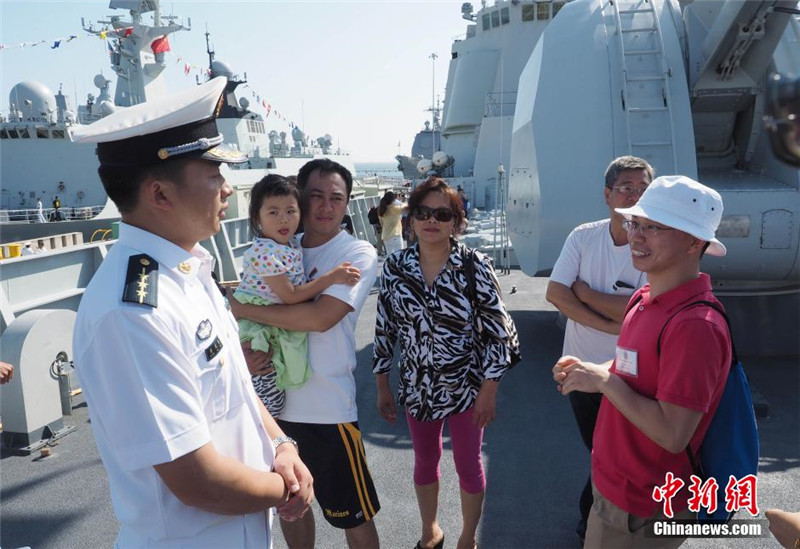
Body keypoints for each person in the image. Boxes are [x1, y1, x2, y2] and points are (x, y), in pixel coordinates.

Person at [71, 77, 313, 548]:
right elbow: (197, 481)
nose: (228, 189)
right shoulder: (133, 312)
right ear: (160, 195)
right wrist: (289, 488)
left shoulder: (190, 272)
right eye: (214, 175)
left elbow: (237, 391)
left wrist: (281, 445)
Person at [553, 175, 731, 548]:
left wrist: (604, 382)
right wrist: (593, 371)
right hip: (613, 491)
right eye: (635, 223)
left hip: (642, 509)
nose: (635, 236)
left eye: (654, 227)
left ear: (694, 242)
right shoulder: (644, 298)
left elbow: (672, 434)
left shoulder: (695, 326)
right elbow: (631, 369)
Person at [229, 158, 381, 549]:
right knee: (291, 507)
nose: (326, 207)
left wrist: (242, 309)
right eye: (316, 196)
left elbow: (319, 318)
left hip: (327, 409)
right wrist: (245, 353)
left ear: (347, 203)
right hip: (275, 412)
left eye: (337, 198)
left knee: (354, 515)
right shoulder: (281, 247)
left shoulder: (356, 253)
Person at [373, 177, 518, 549]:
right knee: (425, 460)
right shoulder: (395, 267)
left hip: (467, 387)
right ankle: (430, 530)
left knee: (468, 464)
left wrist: (489, 390)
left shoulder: (474, 266)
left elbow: (500, 333)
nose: (431, 220)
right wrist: (382, 383)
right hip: (418, 386)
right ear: (411, 219)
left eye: (442, 214)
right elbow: (385, 327)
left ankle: (468, 538)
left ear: (456, 221)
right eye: (423, 212)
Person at [545, 155, 652, 540]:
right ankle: (600, 522)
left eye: (643, 189)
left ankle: (593, 523)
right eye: (626, 187)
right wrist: (611, 322)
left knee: (614, 453)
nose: (634, 195)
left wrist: (587, 294)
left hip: (630, 375)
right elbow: (556, 293)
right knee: (599, 450)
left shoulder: (652, 243)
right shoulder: (583, 237)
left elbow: (643, 309)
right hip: (579, 369)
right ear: (608, 194)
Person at [233, 174, 361, 417]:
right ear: (256, 217)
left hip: (268, 323)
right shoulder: (265, 252)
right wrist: (331, 277)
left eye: (291, 211)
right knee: (269, 401)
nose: (284, 219)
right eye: (273, 212)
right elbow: (290, 296)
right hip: (257, 330)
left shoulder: (290, 244)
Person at [378, 190, 407, 256]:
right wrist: (399, 202)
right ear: (393, 200)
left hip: (386, 237)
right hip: (396, 235)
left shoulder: (381, 210)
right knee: (400, 257)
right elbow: (406, 207)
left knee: (389, 257)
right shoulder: (394, 208)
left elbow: (382, 224)